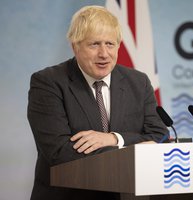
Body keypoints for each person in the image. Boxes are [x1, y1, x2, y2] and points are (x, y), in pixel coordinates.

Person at [27, 5, 168, 200]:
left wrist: (114, 139)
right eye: (94, 44)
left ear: (119, 45)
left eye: (110, 44)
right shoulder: (48, 82)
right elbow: (59, 152)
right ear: (75, 46)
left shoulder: (138, 81)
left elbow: (159, 133)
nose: (104, 53)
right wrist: (132, 150)